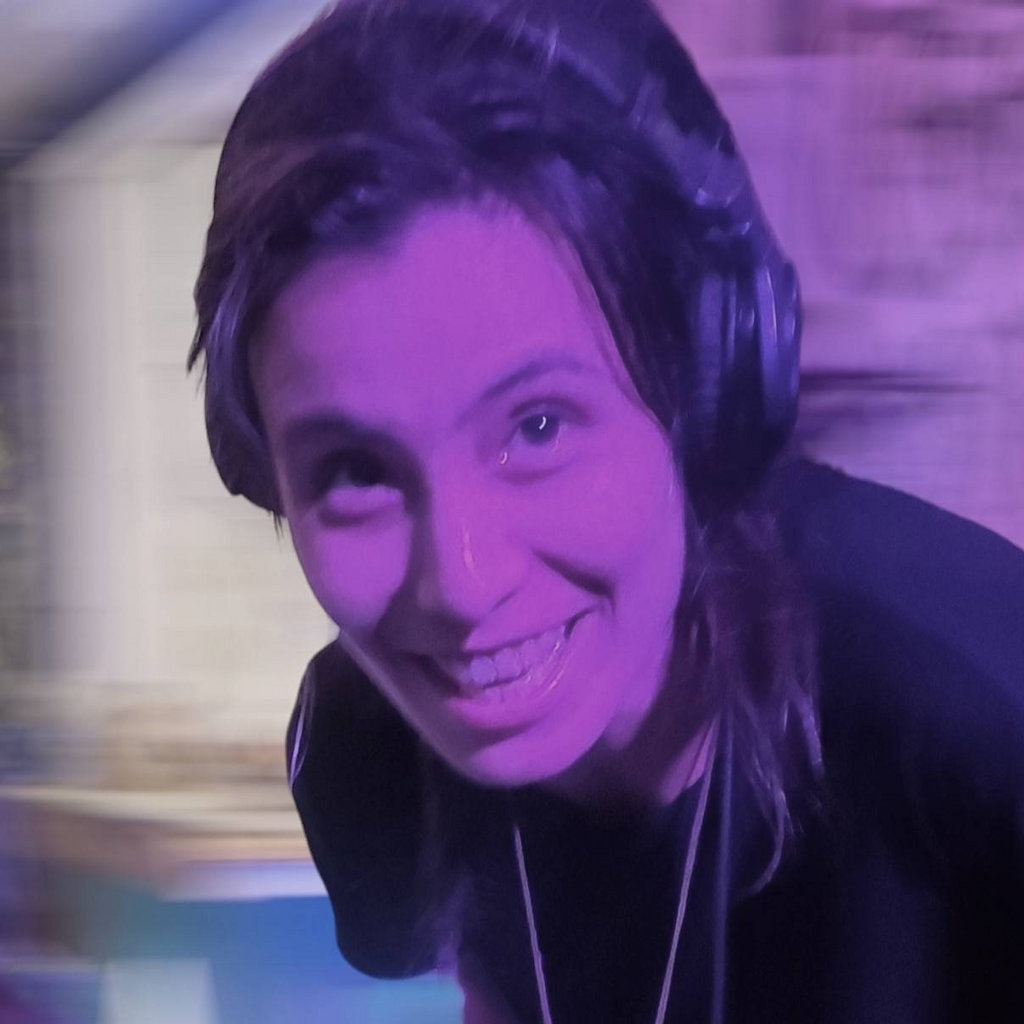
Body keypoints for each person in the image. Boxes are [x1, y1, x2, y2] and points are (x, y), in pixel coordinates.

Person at [188, 1, 1024, 1021]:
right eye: (355, 470)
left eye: (538, 425)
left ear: (703, 381)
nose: (461, 585)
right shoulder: (370, 754)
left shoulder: (978, 708)